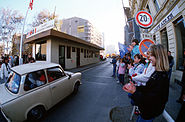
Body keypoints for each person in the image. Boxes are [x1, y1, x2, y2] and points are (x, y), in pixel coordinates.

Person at [123, 44, 169, 122]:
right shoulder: (158, 73)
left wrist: (134, 92)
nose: (149, 57)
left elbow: (149, 100)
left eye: (151, 55)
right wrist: (135, 88)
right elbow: (148, 88)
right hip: (147, 112)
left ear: (158, 57)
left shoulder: (161, 77)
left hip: (148, 113)